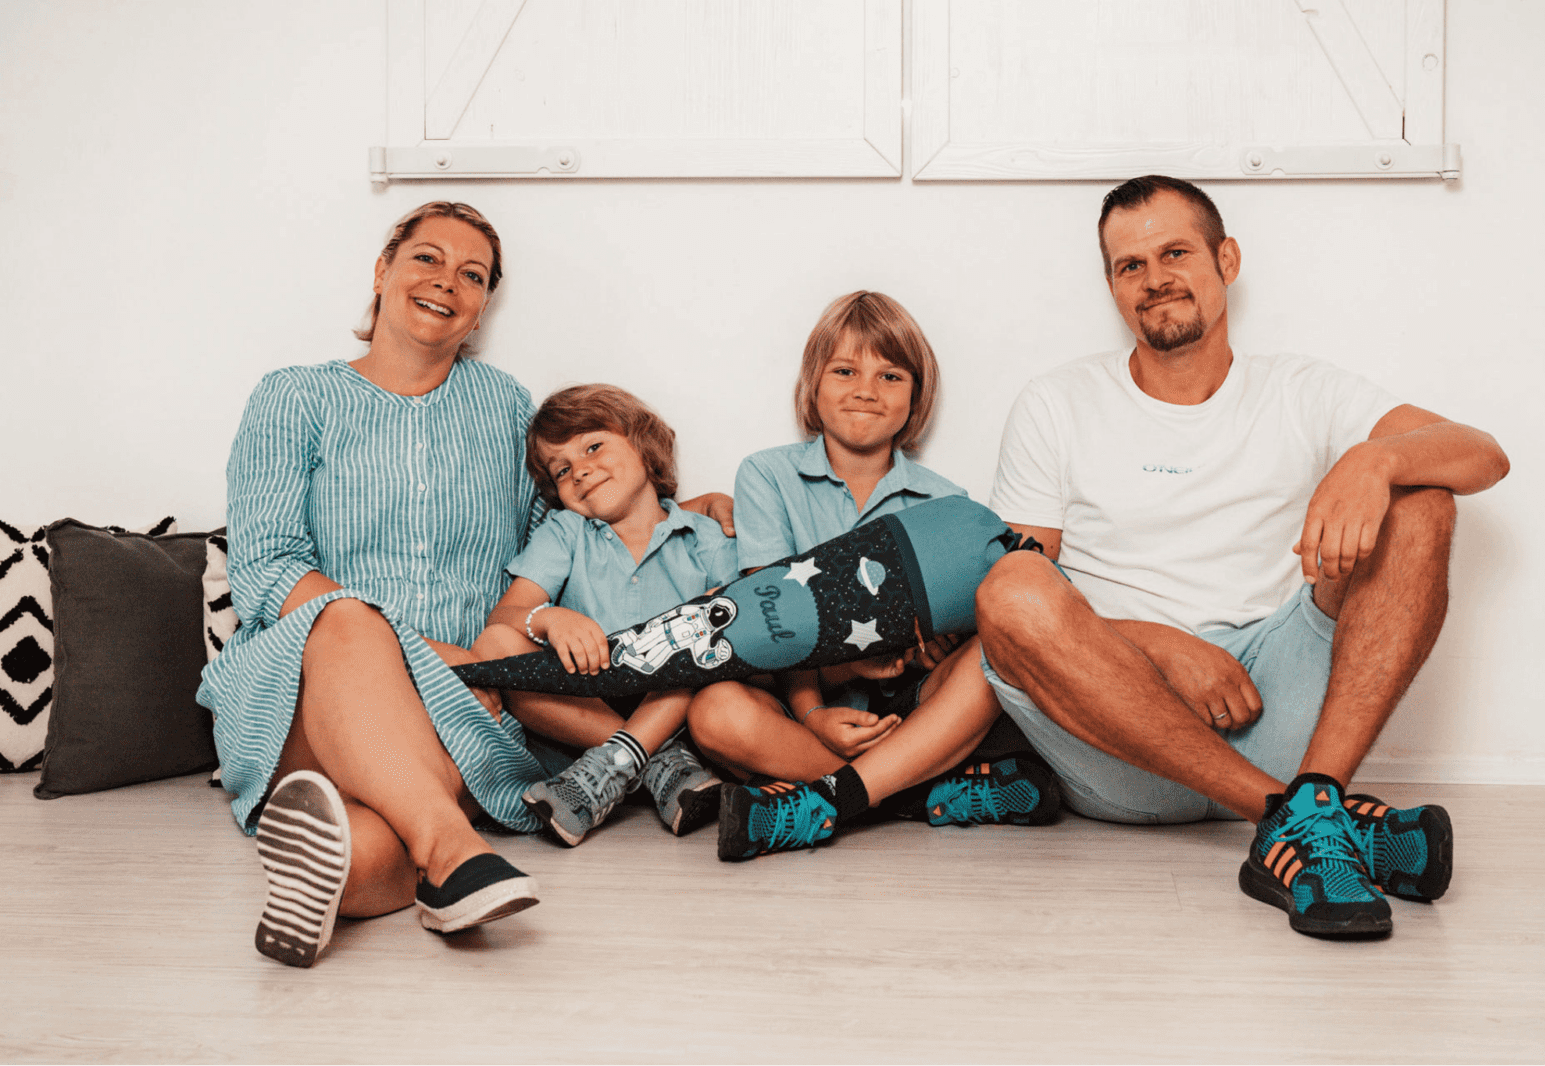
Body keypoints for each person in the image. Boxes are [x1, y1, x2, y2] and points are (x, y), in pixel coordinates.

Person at [974, 176, 1510, 938]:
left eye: (1175, 252)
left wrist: (1374, 464)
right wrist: (1160, 645)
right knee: (1008, 585)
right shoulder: (1057, 402)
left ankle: (1313, 798)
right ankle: (1301, 822)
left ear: (1226, 259)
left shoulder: (1301, 389)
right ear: (1112, 287)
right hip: (1119, 738)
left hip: (1273, 698)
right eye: (1130, 266)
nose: (1155, 278)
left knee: (1424, 499)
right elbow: (1022, 596)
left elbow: (1483, 454)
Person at [200, 203, 732, 968]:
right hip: (312, 676)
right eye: (426, 258)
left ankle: (351, 868)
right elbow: (269, 565)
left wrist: (692, 508)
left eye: (472, 275)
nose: (446, 281)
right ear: (383, 272)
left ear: (480, 309)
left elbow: (566, 536)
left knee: (374, 832)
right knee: (349, 620)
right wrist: (425, 654)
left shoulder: (505, 406)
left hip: (468, 699)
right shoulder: (293, 397)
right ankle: (455, 851)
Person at [692, 291, 1059, 861]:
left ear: (916, 397)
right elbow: (772, 620)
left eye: (890, 375)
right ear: (813, 384)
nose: (866, 389)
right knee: (714, 712)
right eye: (845, 370)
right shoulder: (767, 475)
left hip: (909, 706)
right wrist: (814, 712)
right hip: (800, 699)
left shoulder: (946, 501)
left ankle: (829, 798)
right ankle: (920, 795)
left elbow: (948, 631)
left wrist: (933, 644)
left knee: (994, 648)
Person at [472, 384, 736, 846]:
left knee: (721, 616)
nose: (581, 471)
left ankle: (627, 761)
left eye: (593, 446)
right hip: (580, 721)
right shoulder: (566, 531)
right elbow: (506, 613)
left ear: (643, 444)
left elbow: (739, 627)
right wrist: (549, 619)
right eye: (562, 469)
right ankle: (652, 763)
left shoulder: (705, 537)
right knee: (497, 645)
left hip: (678, 710)